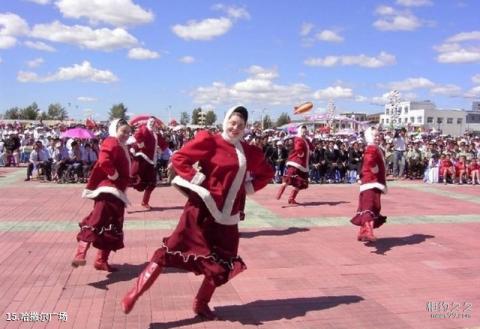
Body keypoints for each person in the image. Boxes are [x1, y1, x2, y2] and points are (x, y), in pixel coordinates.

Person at [120, 106, 274, 319]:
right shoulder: (210, 141)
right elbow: (179, 158)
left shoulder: (248, 151)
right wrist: (196, 177)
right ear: (226, 120)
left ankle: (201, 304)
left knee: (223, 261)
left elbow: (268, 172)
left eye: (240, 125)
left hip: (228, 217)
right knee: (170, 250)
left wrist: (248, 187)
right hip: (201, 209)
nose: (235, 127)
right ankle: (134, 293)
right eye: (232, 122)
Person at [71, 119, 133, 272]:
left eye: (128, 132)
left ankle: (101, 260)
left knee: (112, 227)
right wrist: (113, 174)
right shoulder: (111, 141)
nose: (126, 134)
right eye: (123, 131)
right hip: (109, 191)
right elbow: (104, 160)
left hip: (117, 193)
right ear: (115, 130)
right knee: (96, 221)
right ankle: (80, 255)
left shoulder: (123, 146)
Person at [350, 127, 387, 242]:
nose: (377, 137)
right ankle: (368, 232)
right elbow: (369, 159)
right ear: (370, 137)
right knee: (369, 207)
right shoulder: (372, 147)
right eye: (375, 136)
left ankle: (362, 233)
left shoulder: (375, 147)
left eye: (378, 135)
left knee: (369, 206)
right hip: (371, 181)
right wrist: (374, 168)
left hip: (372, 182)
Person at [130, 117, 168, 210]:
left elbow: (164, 144)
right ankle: (119, 199)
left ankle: (145, 202)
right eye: (150, 121)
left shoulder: (156, 134)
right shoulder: (144, 129)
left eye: (153, 122)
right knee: (132, 179)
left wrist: (163, 149)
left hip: (151, 161)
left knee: (152, 183)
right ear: (147, 122)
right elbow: (137, 135)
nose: (152, 123)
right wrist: (140, 143)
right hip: (142, 159)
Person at [275, 125, 313, 204]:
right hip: (296, 162)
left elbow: (312, 147)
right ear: (300, 131)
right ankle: (280, 192)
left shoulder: (306, 140)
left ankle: (291, 198)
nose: (304, 132)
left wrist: (309, 139)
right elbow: (297, 147)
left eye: (305, 131)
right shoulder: (298, 138)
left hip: (303, 165)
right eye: (303, 131)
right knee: (289, 178)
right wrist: (301, 152)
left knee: (301, 183)